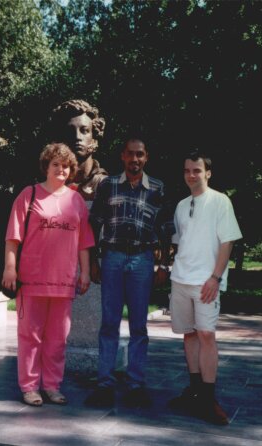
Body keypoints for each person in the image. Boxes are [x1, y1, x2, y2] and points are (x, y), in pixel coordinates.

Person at [2, 143, 94, 407]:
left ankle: (52, 386)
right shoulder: (28, 195)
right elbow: (12, 236)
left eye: (66, 165)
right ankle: (30, 387)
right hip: (31, 279)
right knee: (30, 337)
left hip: (64, 281)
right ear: (47, 166)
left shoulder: (76, 200)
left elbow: (84, 241)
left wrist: (84, 272)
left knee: (57, 339)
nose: (61, 169)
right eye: (56, 164)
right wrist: (10, 267)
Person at [84, 137, 170, 408]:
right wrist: (94, 262)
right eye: (130, 154)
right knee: (109, 323)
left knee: (139, 326)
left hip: (142, 261)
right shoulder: (108, 185)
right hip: (112, 259)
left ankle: (135, 385)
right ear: (123, 156)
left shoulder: (157, 188)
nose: (135, 159)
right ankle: (104, 384)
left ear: (146, 157)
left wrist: (164, 265)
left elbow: (166, 230)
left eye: (140, 155)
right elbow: (94, 224)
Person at [168, 151, 242, 425]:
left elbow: (228, 241)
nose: (191, 175)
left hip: (205, 282)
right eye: (187, 170)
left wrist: (215, 277)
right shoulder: (180, 205)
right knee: (189, 335)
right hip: (181, 279)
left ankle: (209, 399)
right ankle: (195, 392)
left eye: (196, 170)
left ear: (207, 173)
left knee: (207, 335)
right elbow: (179, 242)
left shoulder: (221, 201)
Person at [50, 99, 108, 204]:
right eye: (70, 131)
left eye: (84, 130)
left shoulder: (108, 187)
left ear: (94, 137)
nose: (77, 137)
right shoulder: (48, 186)